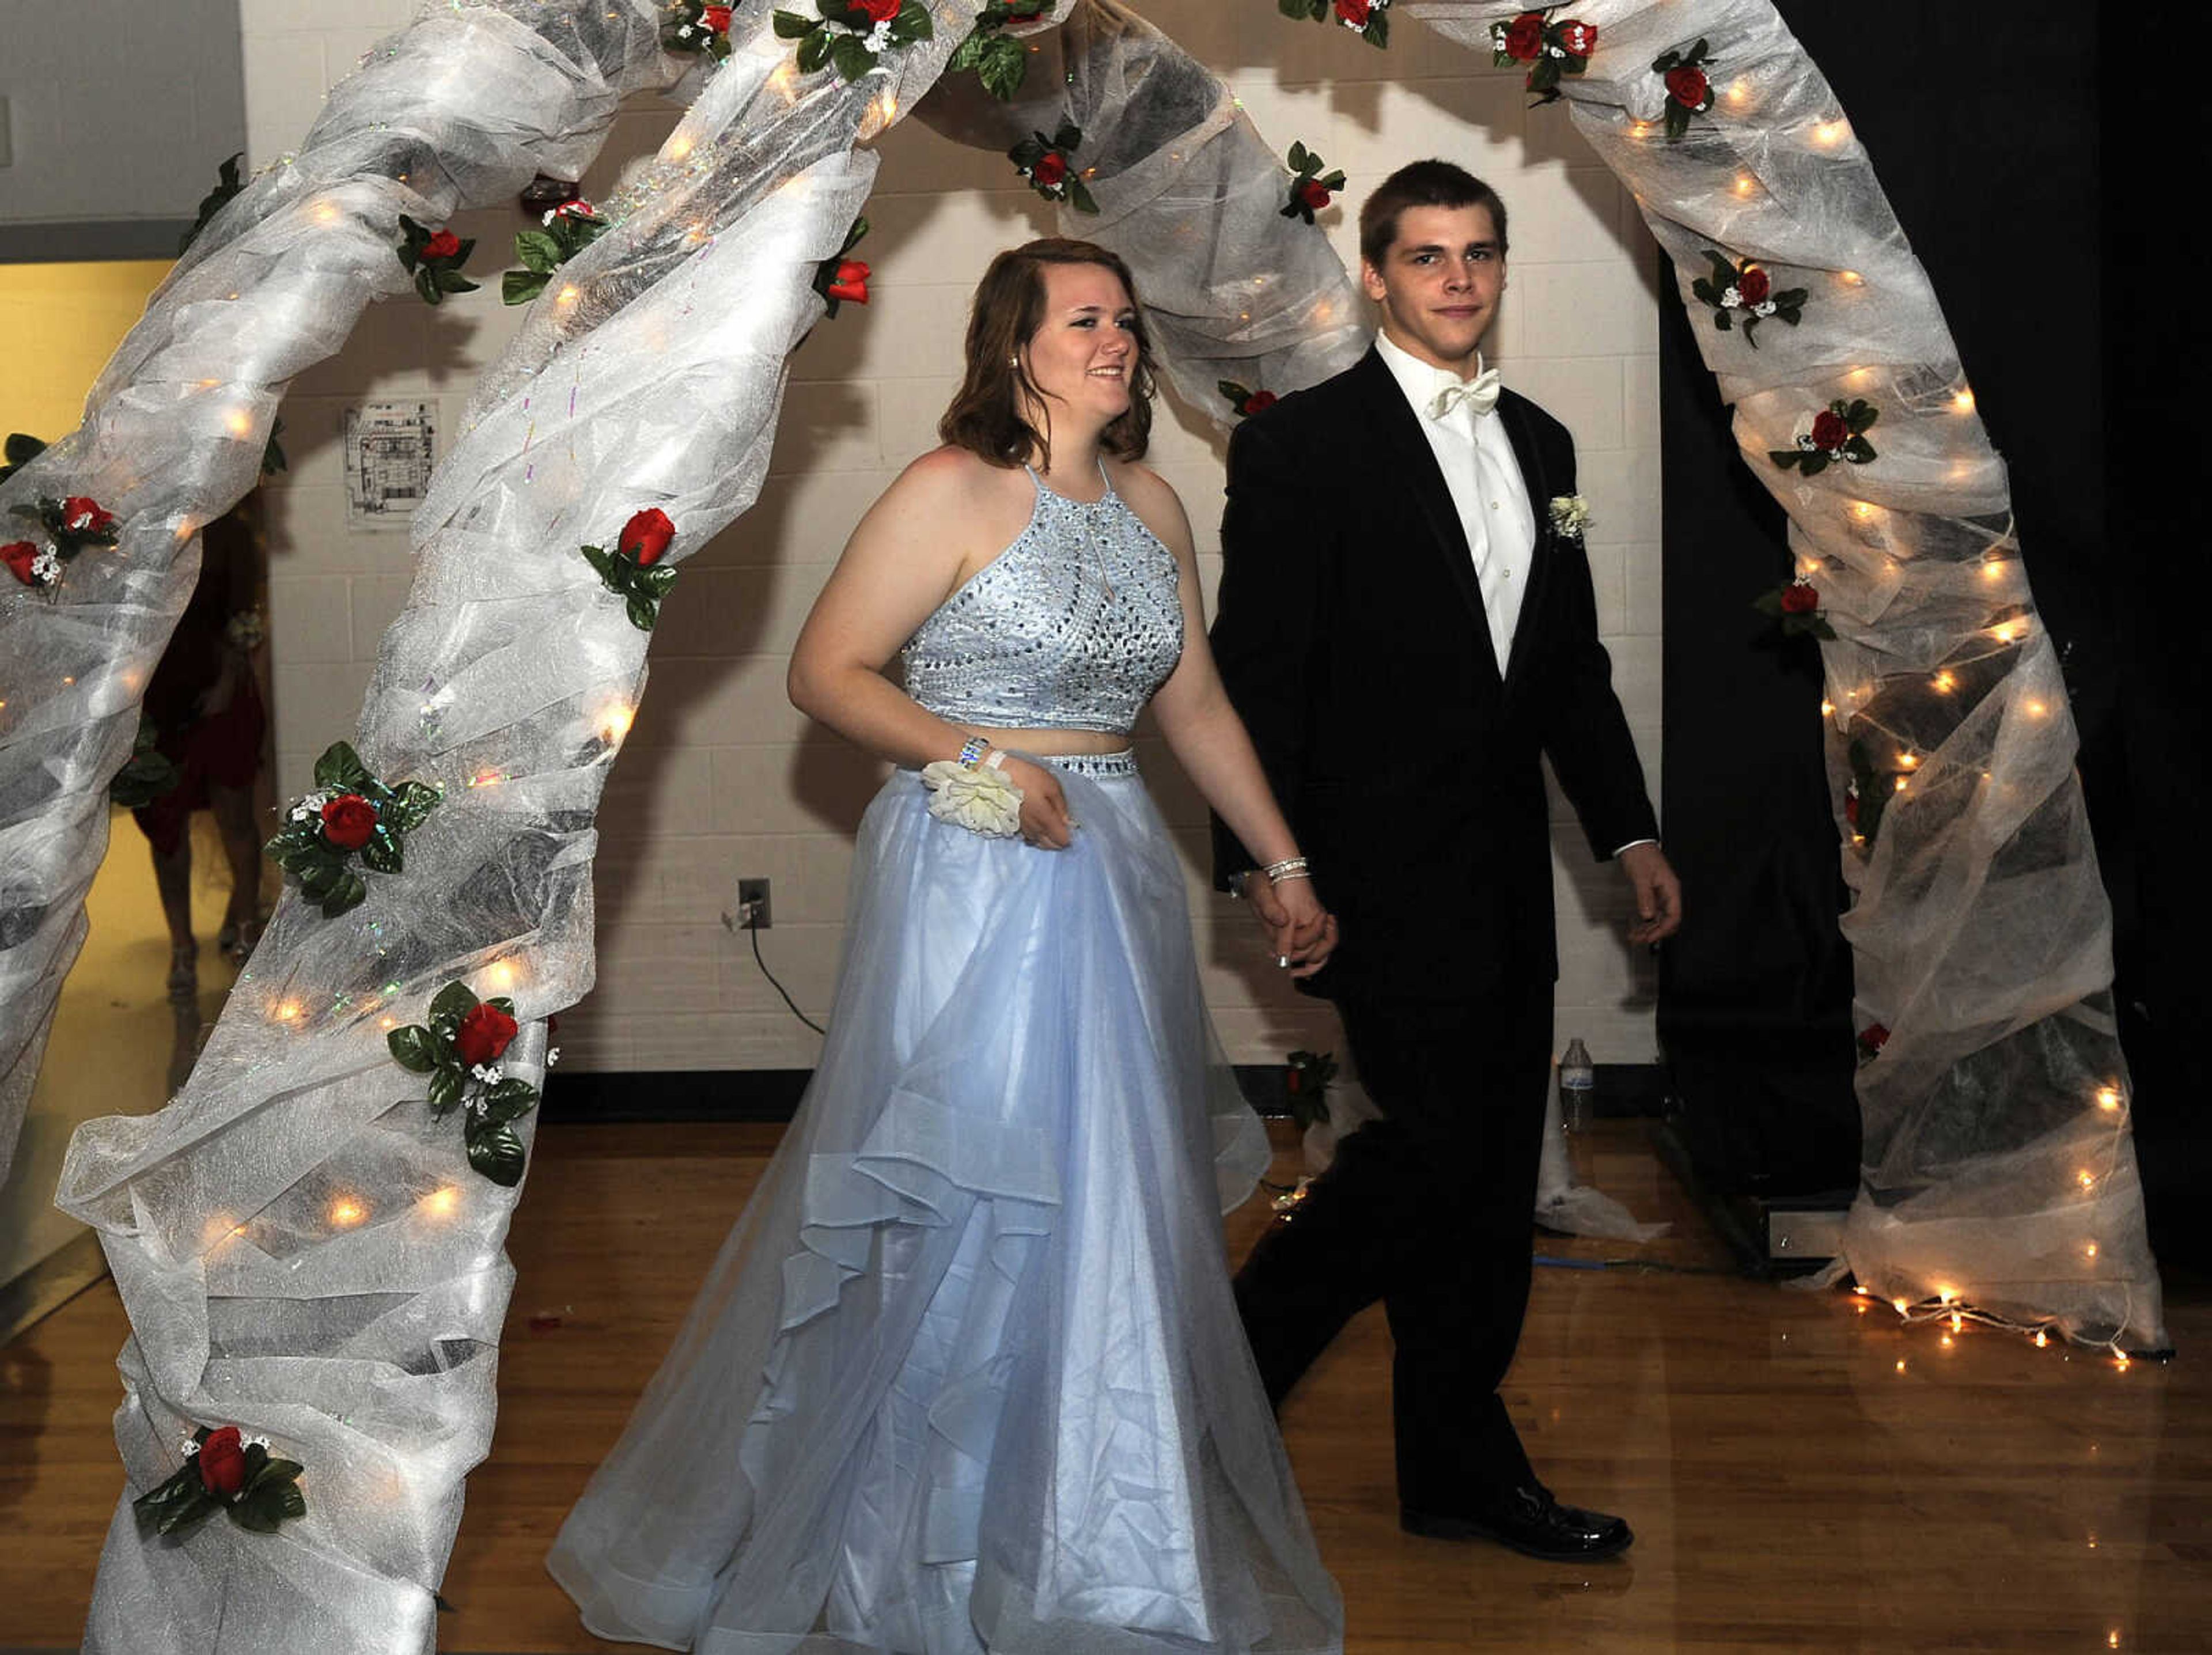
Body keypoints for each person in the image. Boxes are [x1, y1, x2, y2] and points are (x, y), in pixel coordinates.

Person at [548, 240, 1345, 1653]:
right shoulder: (949, 489)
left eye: (1123, 316)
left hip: (1112, 874)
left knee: (1103, 1194)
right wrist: (980, 757)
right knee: (963, 1191)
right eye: (1085, 317)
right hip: (977, 862)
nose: (1116, 337)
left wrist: (1279, 861)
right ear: (1017, 346)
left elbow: (1198, 705)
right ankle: (909, 1542)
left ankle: (1103, 1543)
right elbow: (826, 671)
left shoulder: (1158, 502)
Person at [1209, 161, 1684, 1562]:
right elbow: (1257, 679)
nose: (1458, 279)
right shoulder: (1301, 447)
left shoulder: (1542, 444)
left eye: (1479, 253)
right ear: (1375, 276)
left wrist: (1630, 829)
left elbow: (1569, 672)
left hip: (1503, 879)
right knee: (1426, 1158)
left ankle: (1453, 1468)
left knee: (1479, 1181)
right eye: (1427, 257)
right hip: (1368, 875)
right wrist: (1269, 866)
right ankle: (1221, 1383)